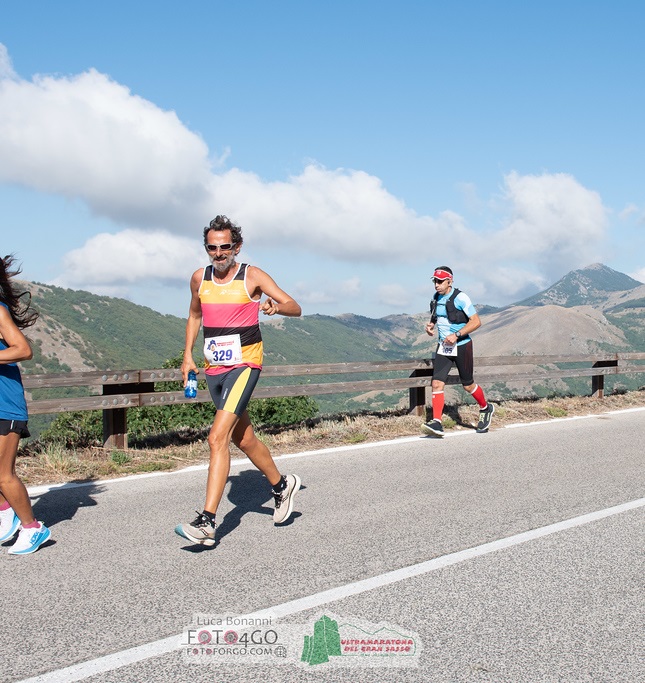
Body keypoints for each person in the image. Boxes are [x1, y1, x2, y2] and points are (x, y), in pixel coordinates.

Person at [175, 215, 302, 546]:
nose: (218, 253)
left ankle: (207, 521)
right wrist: (187, 355)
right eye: (212, 247)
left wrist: (276, 308)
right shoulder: (198, 278)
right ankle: (281, 485)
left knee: (217, 437)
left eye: (225, 247)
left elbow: (295, 306)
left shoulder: (252, 275)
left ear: (237, 247)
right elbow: (194, 315)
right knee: (243, 439)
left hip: (246, 364)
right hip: (214, 368)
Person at [0, 255, 51, 554]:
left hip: (5, 404)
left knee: (3, 474)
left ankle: (33, 528)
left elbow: (24, 349)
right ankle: (6, 511)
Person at [422, 266, 494, 437]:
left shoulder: (461, 298)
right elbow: (437, 315)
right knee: (437, 383)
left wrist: (457, 334)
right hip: (444, 346)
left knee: (468, 385)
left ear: (450, 281)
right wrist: (431, 325)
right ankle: (437, 422)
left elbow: (476, 322)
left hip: (462, 345)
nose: (436, 285)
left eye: (440, 281)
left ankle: (485, 407)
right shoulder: (436, 297)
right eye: (435, 281)